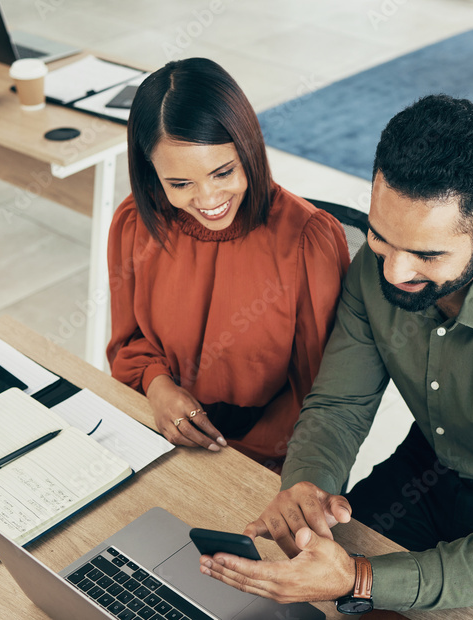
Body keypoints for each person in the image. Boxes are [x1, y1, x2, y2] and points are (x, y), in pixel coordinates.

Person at [198, 95, 473, 619]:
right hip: (430, 469)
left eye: (427, 254)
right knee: (304, 604)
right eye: (381, 237)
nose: (394, 273)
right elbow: (339, 406)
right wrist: (306, 486)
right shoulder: (374, 269)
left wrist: (359, 578)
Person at [106, 58, 350, 470]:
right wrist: (157, 385)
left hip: (265, 458)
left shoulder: (308, 242)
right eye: (180, 184)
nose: (207, 199)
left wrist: (237, 460)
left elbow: (321, 394)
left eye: (223, 173)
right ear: (152, 174)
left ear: (248, 148)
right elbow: (129, 342)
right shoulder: (136, 222)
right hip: (160, 430)